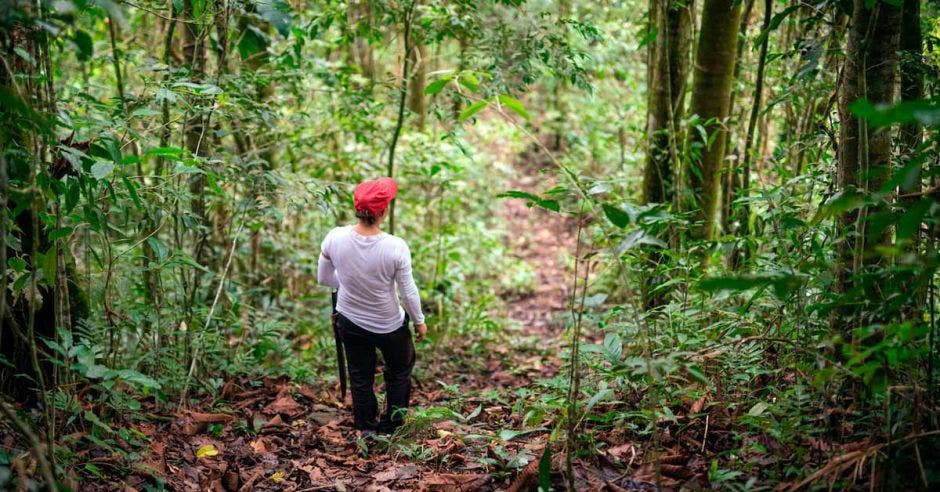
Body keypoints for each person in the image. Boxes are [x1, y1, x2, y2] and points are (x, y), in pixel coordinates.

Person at [317, 177, 428, 434]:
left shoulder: (334, 238)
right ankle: (392, 426)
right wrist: (419, 321)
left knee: (360, 373)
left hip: (350, 320)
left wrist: (348, 284)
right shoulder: (395, 246)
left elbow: (324, 278)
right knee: (400, 369)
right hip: (389, 324)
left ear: (357, 208)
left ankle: (366, 428)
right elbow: (407, 291)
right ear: (383, 211)